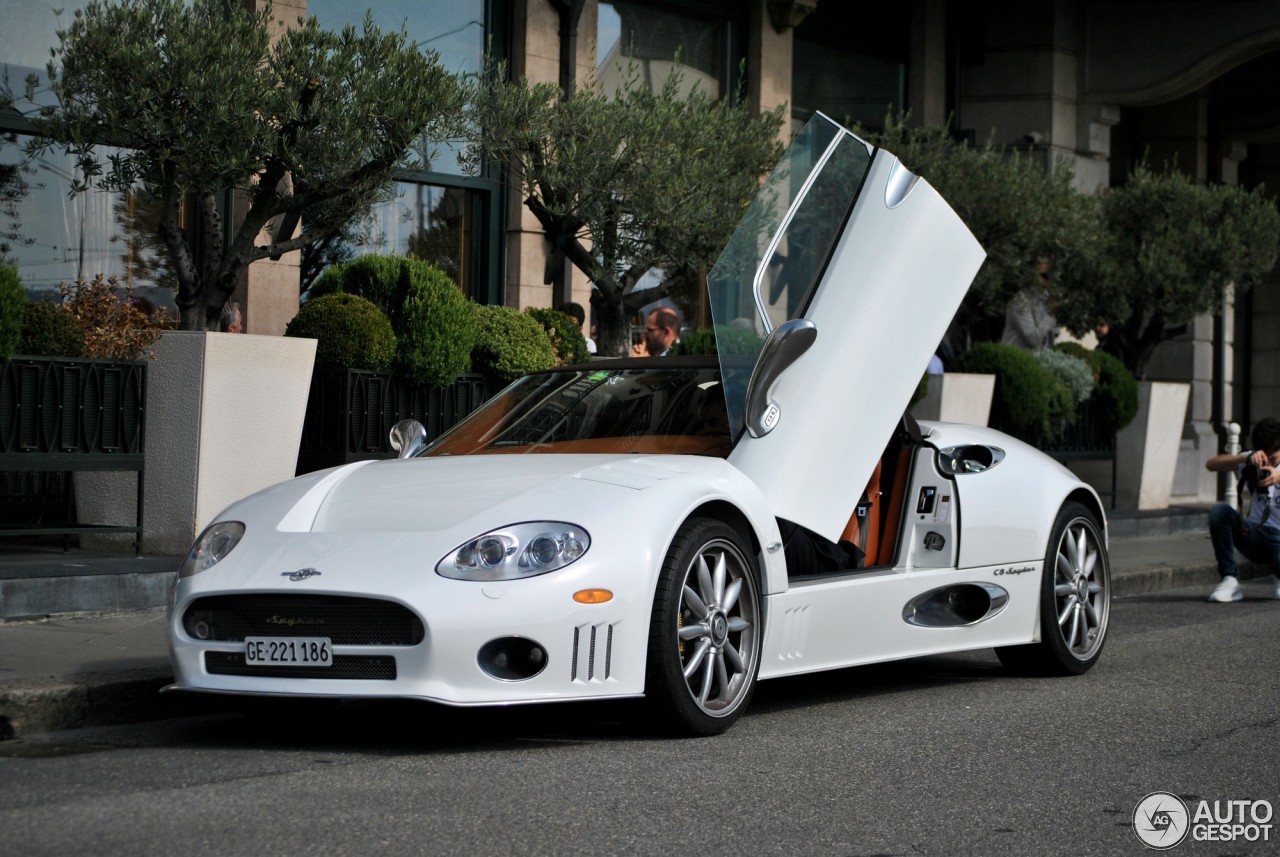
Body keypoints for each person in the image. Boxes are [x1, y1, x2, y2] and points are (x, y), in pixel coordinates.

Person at [1204, 416, 1280, 602]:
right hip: (1255, 535)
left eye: (1273, 458)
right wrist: (1244, 458)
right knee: (1220, 512)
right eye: (1265, 457)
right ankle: (1230, 581)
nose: (1268, 462)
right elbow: (1211, 464)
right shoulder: (1253, 460)